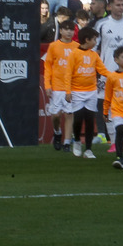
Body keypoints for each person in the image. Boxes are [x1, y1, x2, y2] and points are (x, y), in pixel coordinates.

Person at [65, 27, 114, 159]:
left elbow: (103, 70)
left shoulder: (94, 55)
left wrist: (116, 77)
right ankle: (76, 141)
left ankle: (88, 149)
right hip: (77, 91)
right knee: (79, 118)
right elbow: (68, 73)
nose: (95, 42)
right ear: (87, 40)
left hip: (91, 91)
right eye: (94, 39)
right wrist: (68, 91)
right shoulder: (74, 54)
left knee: (89, 119)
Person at [44, 22, 76, 151]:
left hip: (71, 87)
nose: (69, 32)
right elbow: (48, 66)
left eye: (71, 30)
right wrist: (47, 85)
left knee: (69, 114)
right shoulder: (54, 46)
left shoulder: (77, 47)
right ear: (61, 31)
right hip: (57, 86)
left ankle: (67, 142)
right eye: (66, 29)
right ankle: (57, 133)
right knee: (56, 115)